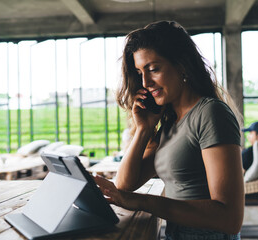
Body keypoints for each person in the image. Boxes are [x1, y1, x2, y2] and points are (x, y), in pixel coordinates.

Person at [94, 20, 244, 240]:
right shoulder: (170, 123)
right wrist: (144, 130)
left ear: (181, 65)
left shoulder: (211, 114)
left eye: (153, 69)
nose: (145, 82)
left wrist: (143, 202)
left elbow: (230, 218)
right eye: (139, 72)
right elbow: (125, 185)